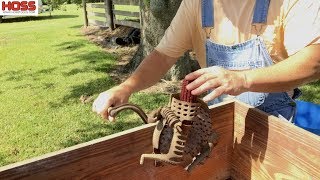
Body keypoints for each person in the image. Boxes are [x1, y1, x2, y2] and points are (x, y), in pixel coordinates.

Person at [92, 0, 320, 122]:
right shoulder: (197, 4)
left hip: (276, 124)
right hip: (216, 123)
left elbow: (314, 60)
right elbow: (162, 56)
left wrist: (244, 79)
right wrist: (126, 87)